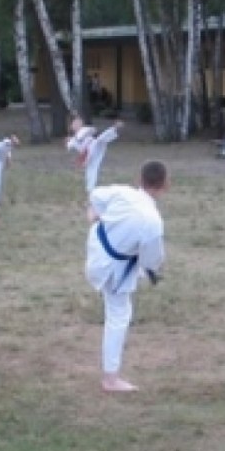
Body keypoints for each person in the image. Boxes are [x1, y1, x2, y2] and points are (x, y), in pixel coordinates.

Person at [85, 160, 168, 393]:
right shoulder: (153, 221)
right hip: (111, 267)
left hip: (96, 250)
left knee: (118, 308)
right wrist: (149, 270)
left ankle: (111, 377)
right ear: (165, 185)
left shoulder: (122, 192)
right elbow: (152, 261)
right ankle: (110, 379)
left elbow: (95, 195)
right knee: (119, 315)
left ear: (139, 179)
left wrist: (94, 214)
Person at [67, 116, 124, 193]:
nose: (77, 124)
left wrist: (85, 134)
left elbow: (94, 130)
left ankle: (115, 129)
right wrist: (70, 140)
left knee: (101, 139)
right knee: (92, 169)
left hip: (95, 145)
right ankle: (90, 188)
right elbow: (70, 148)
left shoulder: (85, 129)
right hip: (87, 154)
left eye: (79, 122)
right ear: (71, 126)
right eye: (75, 123)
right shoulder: (73, 139)